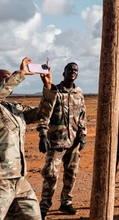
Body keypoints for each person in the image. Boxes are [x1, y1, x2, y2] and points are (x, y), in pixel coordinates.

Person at [0, 58, 56, 220]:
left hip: (18, 178)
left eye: (10, 77)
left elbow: (42, 114)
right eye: (5, 77)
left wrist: (48, 87)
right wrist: (20, 74)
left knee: (32, 216)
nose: (10, 80)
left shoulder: (14, 108)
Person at [38, 62, 87, 218]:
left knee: (71, 174)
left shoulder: (78, 92)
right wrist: (42, 134)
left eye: (75, 70)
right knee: (51, 174)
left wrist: (83, 135)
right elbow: (44, 113)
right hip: (56, 142)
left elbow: (82, 115)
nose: (72, 72)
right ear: (64, 73)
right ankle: (44, 206)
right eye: (69, 69)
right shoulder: (55, 91)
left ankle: (66, 202)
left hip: (73, 143)